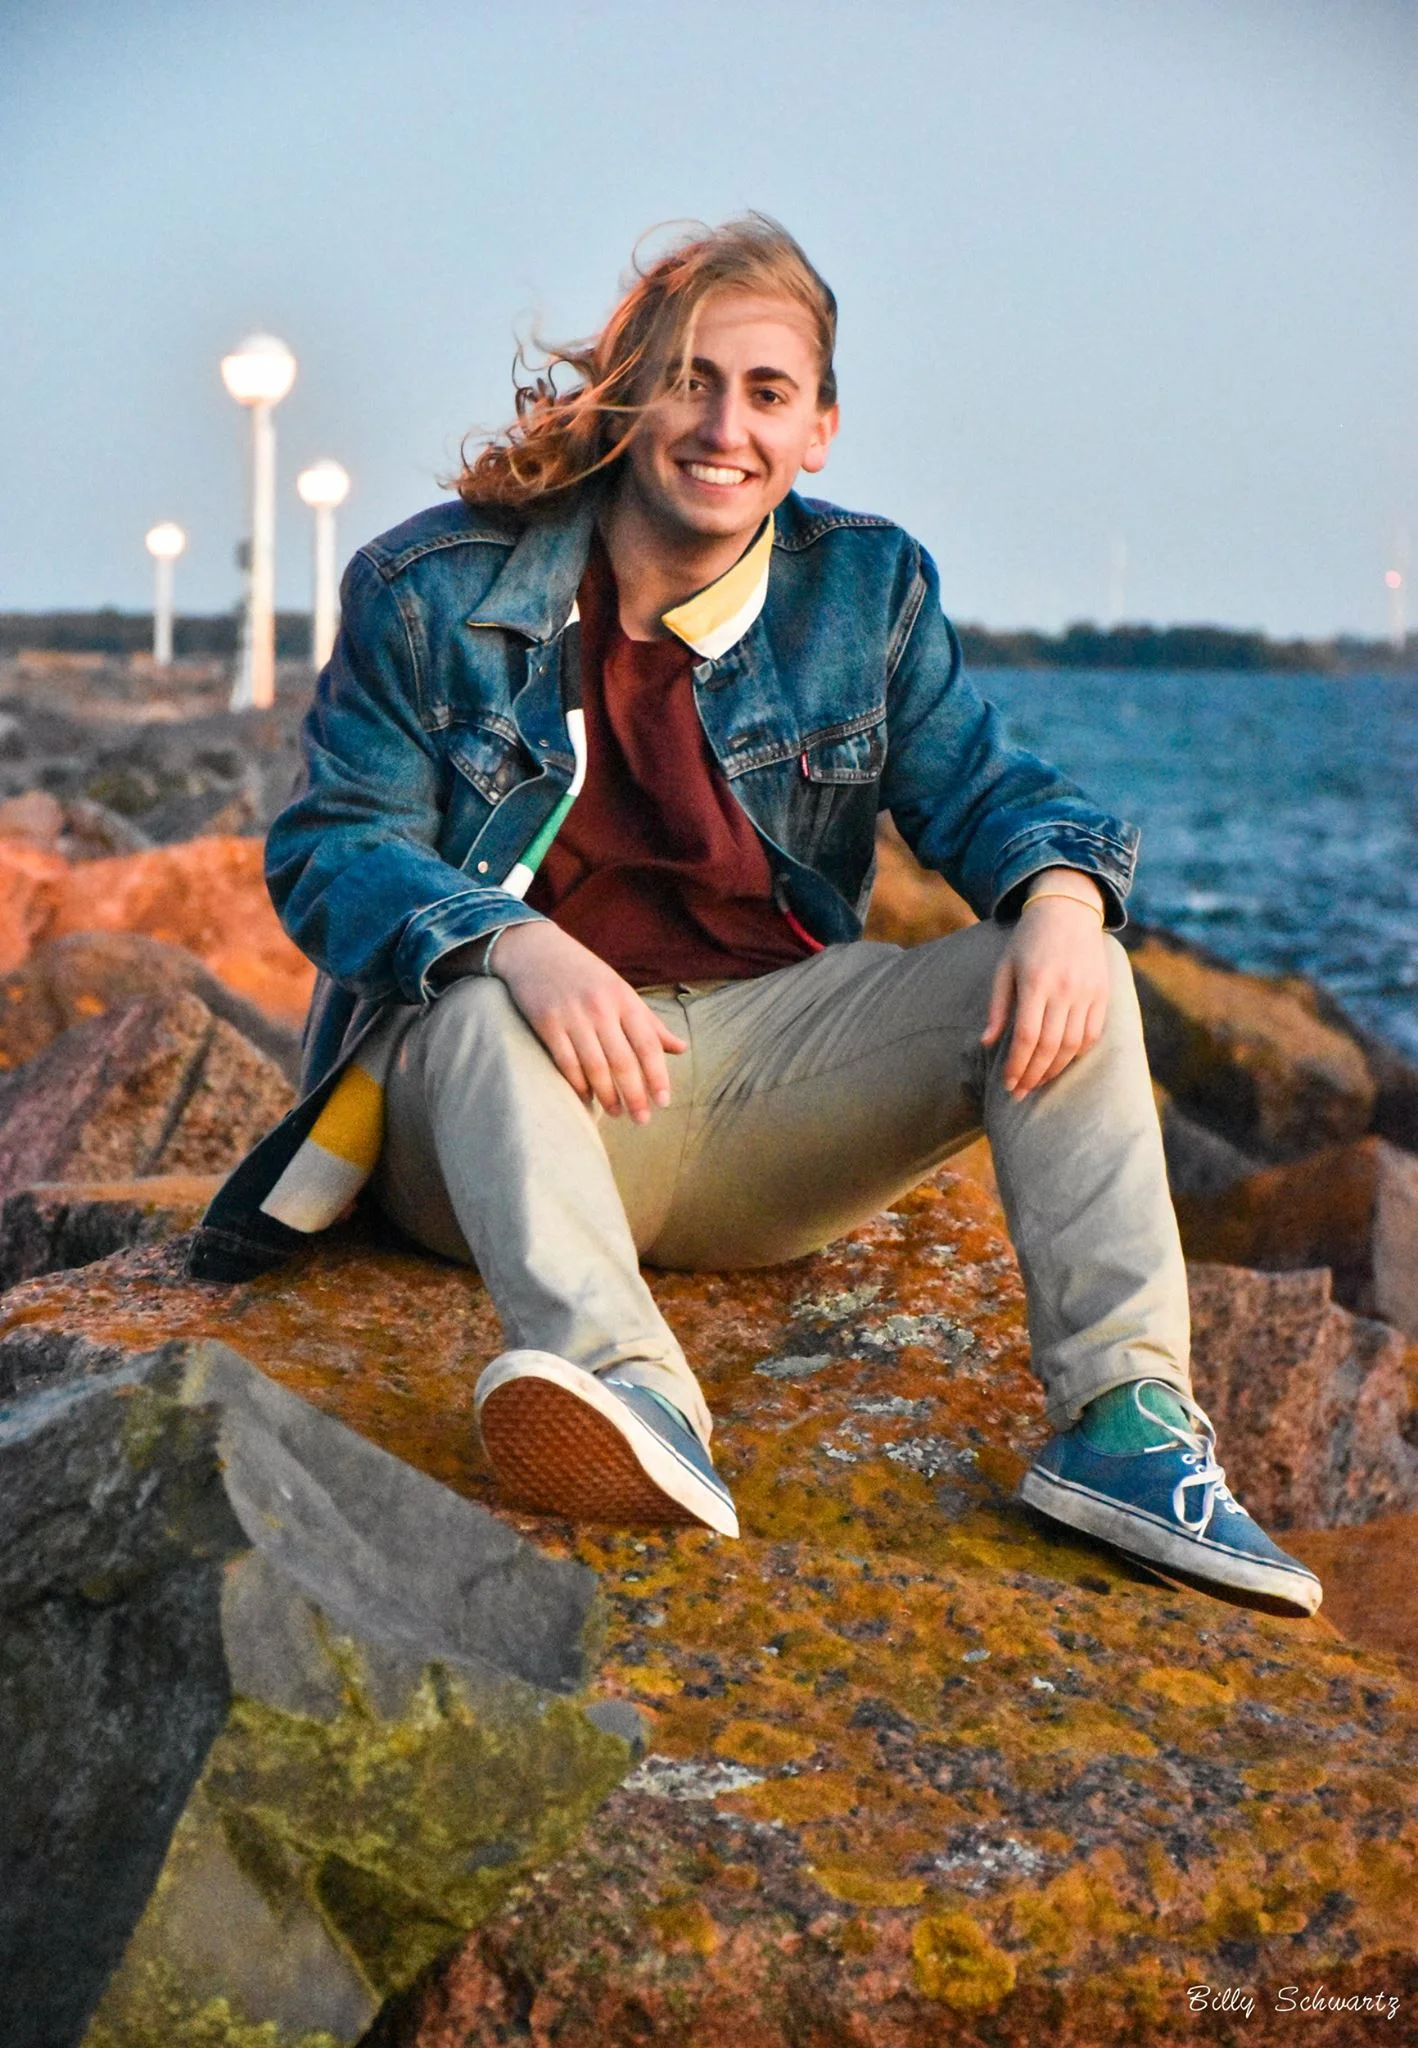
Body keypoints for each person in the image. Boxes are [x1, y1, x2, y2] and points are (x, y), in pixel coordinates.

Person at [192, 215, 1320, 1620]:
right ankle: (629, 1395)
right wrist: (513, 937)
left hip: (754, 1103)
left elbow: (984, 787)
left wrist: (1060, 894)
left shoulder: (867, 592)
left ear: (819, 431)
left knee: (1063, 960)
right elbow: (330, 851)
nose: (725, 425)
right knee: (472, 997)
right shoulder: (428, 591)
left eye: (768, 393)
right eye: (690, 380)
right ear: (625, 398)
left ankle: (1126, 1426)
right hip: (498, 1119)